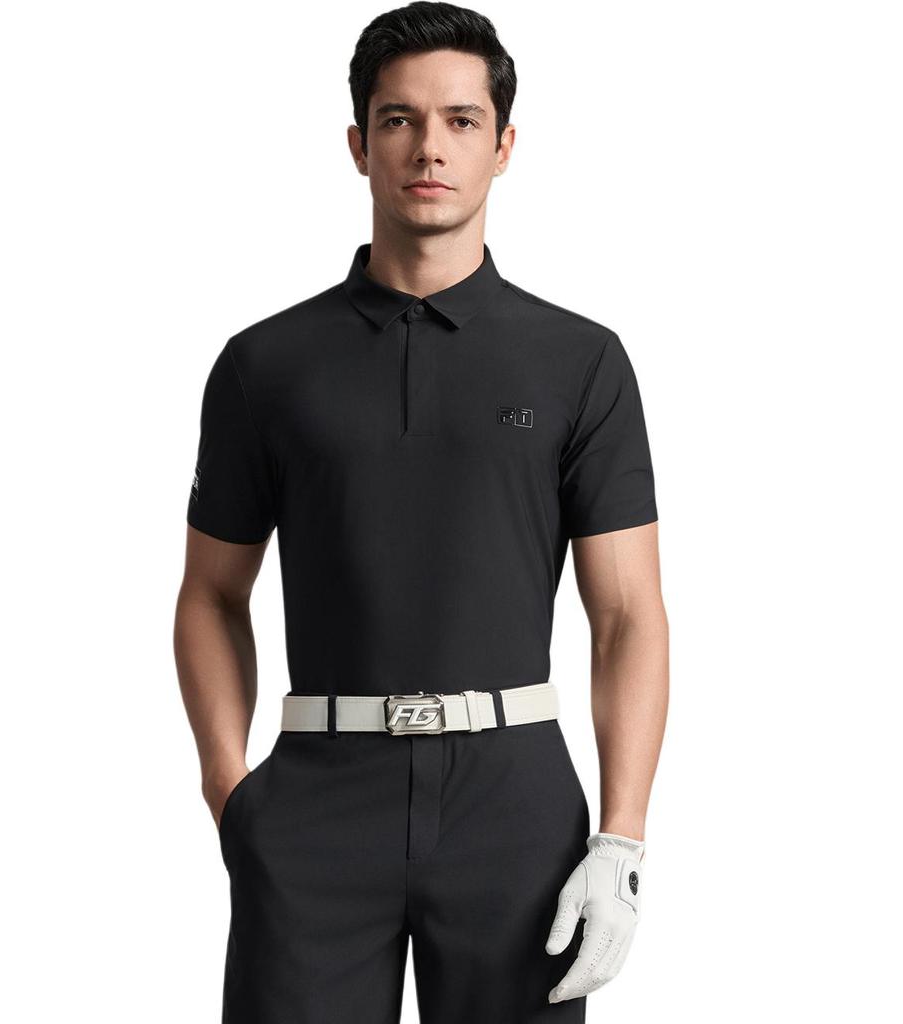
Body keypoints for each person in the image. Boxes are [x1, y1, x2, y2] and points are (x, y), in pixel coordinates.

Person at [173, 3, 669, 1021]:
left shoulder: (580, 361)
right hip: (315, 796)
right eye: (398, 120)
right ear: (359, 145)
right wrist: (232, 793)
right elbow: (211, 593)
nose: (428, 148)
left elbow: (627, 614)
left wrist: (620, 840)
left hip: (515, 802)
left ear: (503, 146)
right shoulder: (265, 364)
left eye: (460, 120)